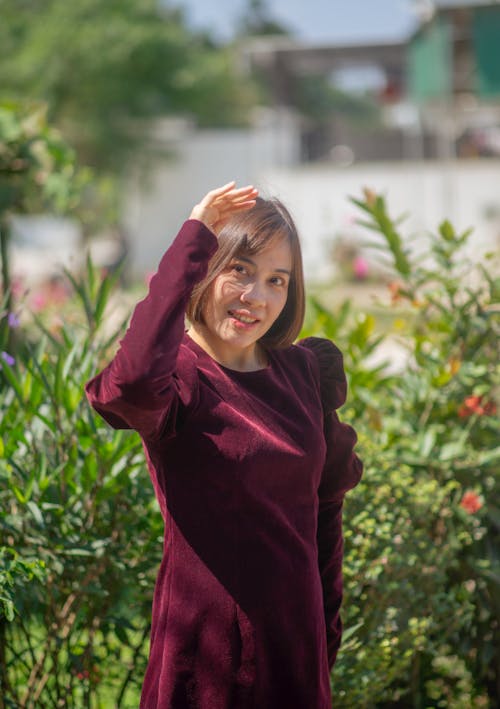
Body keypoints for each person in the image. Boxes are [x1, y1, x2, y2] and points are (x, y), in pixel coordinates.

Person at [85, 182, 363, 709]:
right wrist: (195, 234)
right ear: (207, 270)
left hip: (294, 658)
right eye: (240, 270)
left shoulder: (304, 374)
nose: (256, 297)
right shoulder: (179, 380)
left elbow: (325, 513)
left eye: (276, 280)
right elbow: (130, 385)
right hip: (204, 659)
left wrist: (324, 637)